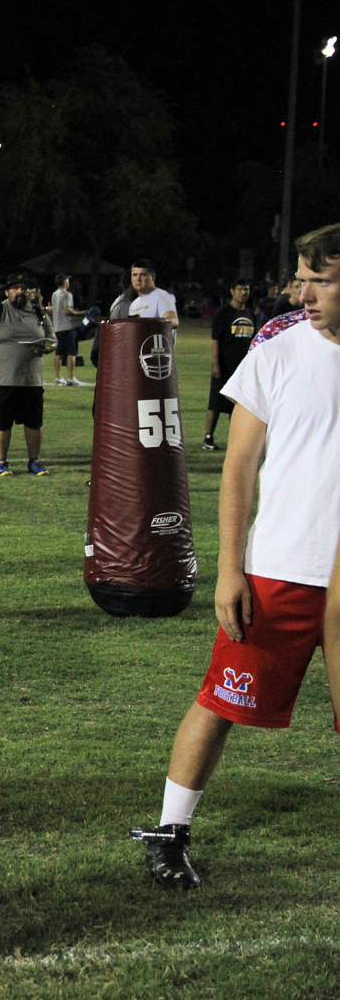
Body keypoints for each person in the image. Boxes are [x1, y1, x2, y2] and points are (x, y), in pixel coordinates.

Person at [131, 222, 340, 891]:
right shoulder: (277, 352)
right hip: (280, 568)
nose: (300, 291)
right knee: (222, 700)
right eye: (299, 277)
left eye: (318, 279)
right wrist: (228, 568)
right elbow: (238, 469)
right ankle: (168, 831)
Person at [0, 271, 53, 477]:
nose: (20, 291)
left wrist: (45, 347)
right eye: (15, 288)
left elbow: (53, 339)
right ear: (7, 291)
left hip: (32, 380)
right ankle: (1, 461)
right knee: (1, 423)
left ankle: (34, 461)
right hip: (2, 380)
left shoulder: (39, 314)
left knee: (34, 423)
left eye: (24, 288)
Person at [203, 278, 257, 450]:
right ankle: (208, 438)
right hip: (225, 365)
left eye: (246, 290)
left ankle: (236, 438)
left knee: (238, 403)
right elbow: (215, 339)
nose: (243, 293)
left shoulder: (250, 314)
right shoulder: (223, 313)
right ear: (232, 291)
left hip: (243, 367)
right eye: (240, 289)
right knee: (216, 403)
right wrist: (215, 363)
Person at [51, 274, 84, 385]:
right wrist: (81, 313)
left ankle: (58, 377)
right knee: (71, 353)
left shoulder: (54, 294)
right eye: (67, 280)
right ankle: (70, 378)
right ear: (64, 282)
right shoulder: (67, 294)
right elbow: (67, 311)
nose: (68, 282)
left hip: (57, 327)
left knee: (59, 353)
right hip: (68, 327)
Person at [127, 259, 179, 328]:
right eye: (134, 275)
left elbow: (172, 321)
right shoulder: (134, 304)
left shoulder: (162, 297)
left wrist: (150, 325)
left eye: (143, 275)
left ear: (153, 277)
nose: (138, 279)